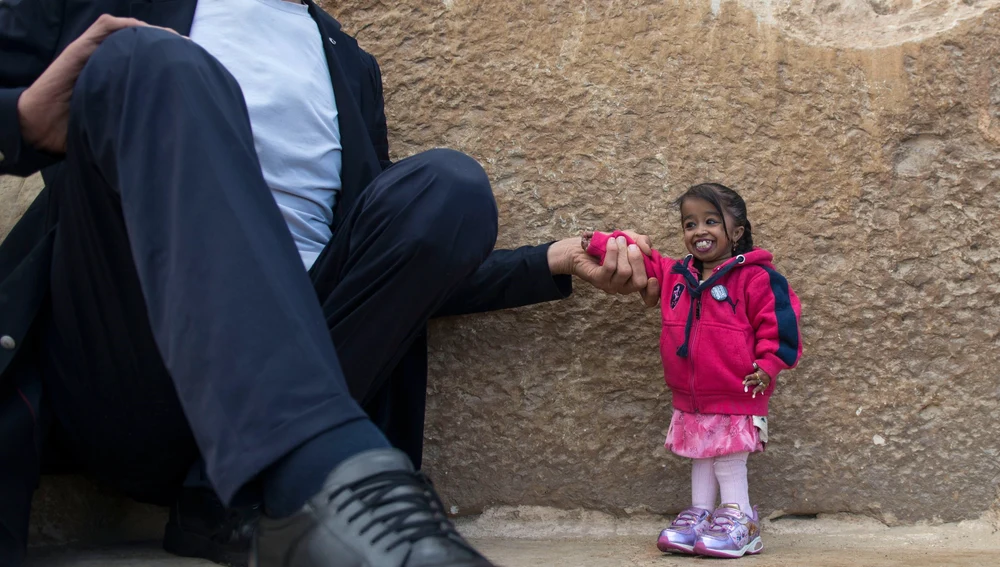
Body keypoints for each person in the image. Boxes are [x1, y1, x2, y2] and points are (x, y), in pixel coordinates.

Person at [0, 1, 660, 566]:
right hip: (127, 367)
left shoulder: (349, 64)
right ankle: (328, 476)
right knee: (146, 59)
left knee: (449, 189)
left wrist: (555, 258)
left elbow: (384, 283)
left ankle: (246, 490)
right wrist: (23, 120)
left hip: (292, 376)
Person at [584, 183, 802, 559]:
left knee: (730, 455)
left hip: (739, 390)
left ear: (736, 232)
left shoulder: (758, 278)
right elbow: (643, 257)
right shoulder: (677, 274)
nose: (699, 230)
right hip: (691, 393)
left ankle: (740, 518)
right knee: (701, 452)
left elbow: (781, 324)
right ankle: (700, 514)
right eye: (690, 223)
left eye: (711, 221)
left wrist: (768, 366)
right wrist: (601, 243)